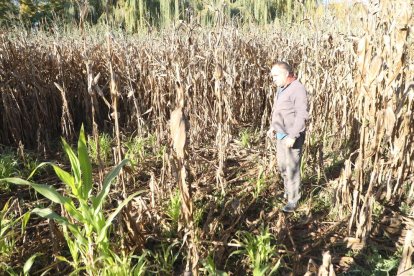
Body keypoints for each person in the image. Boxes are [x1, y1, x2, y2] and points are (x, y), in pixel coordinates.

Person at [267, 61, 309, 212]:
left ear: (286, 74)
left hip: (291, 136)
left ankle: (293, 200)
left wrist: (293, 136)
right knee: (283, 166)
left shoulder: (298, 89)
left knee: (292, 168)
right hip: (280, 134)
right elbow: (280, 110)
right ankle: (288, 191)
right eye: (272, 76)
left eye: (276, 76)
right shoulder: (282, 88)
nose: (274, 79)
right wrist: (273, 126)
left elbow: (302, 115)